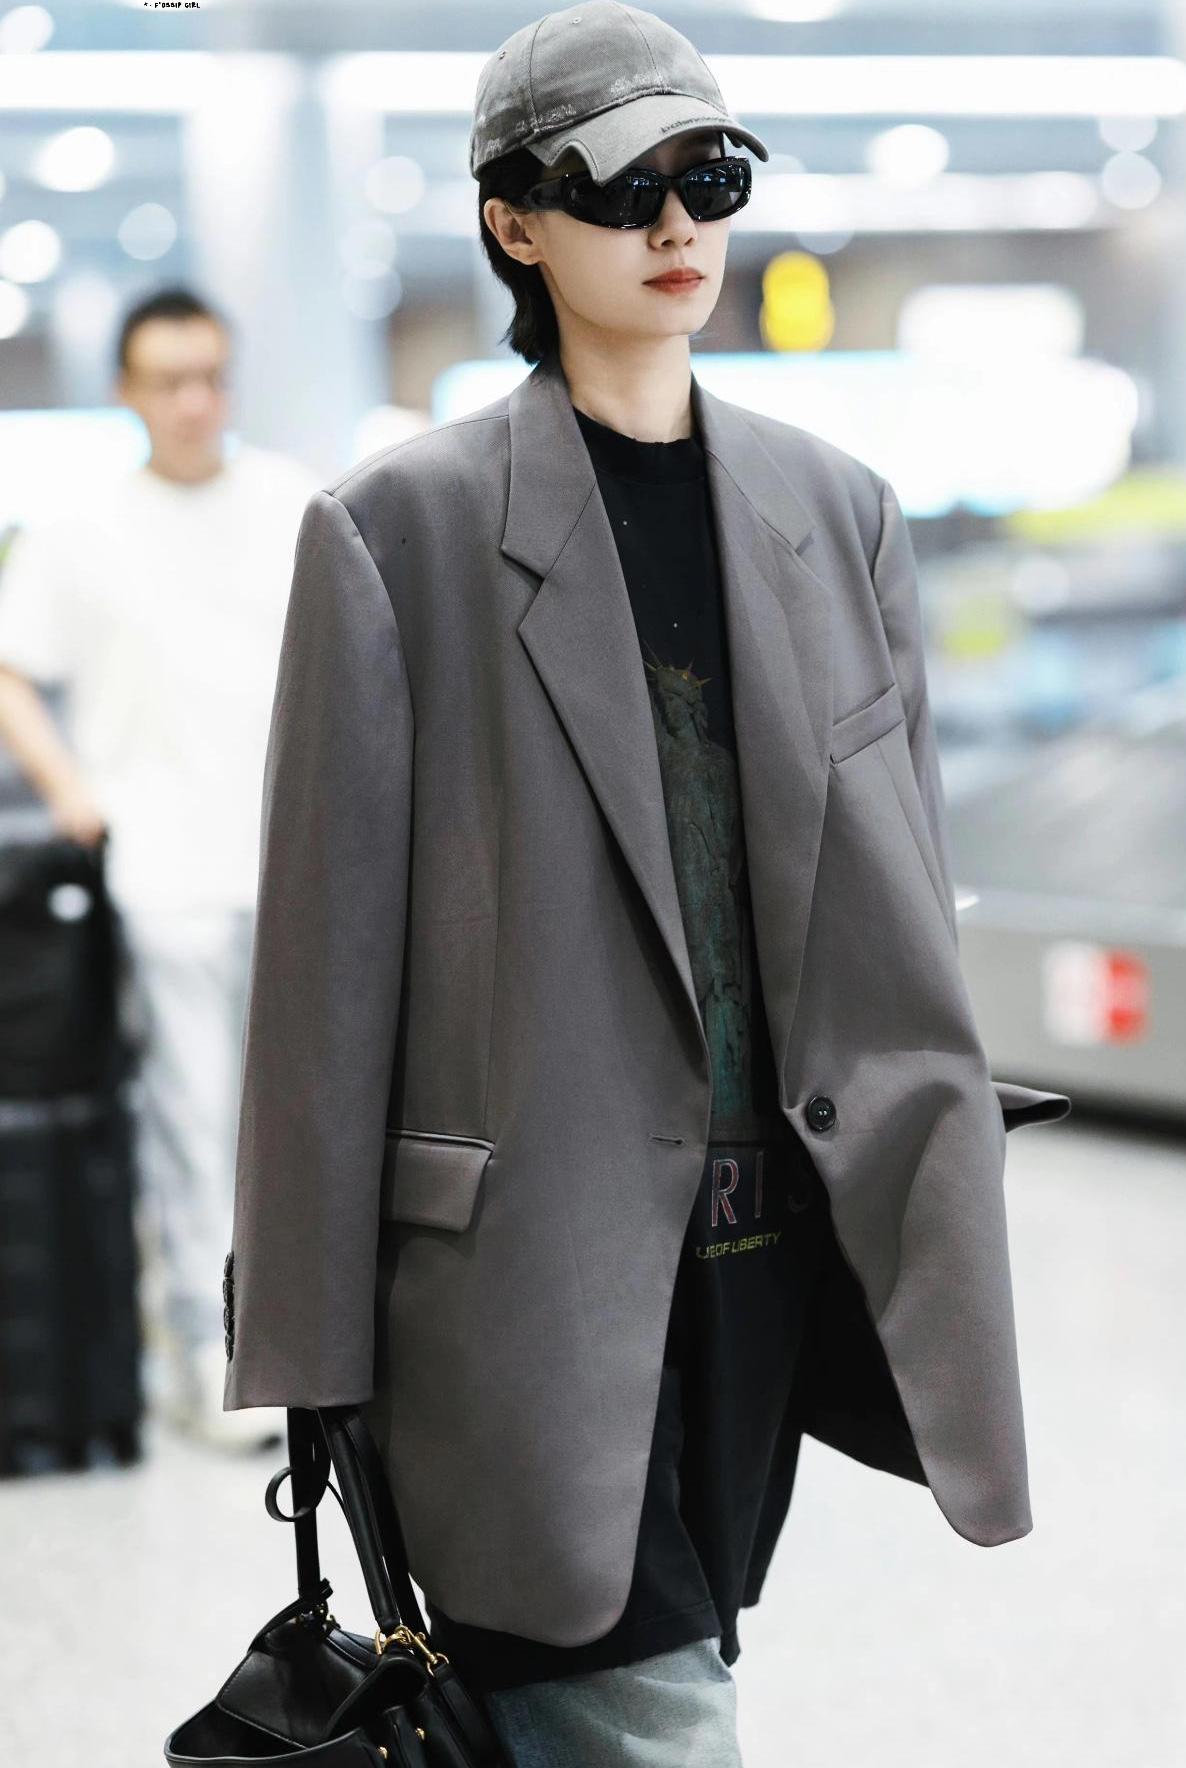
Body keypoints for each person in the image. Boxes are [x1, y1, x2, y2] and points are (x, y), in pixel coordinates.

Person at [222, 3, 1070, 1763]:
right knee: (650, 1711)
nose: (679, 224)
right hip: (521, 1280)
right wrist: (309, 1359)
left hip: (772, 1257)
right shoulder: (398, 534)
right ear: (514, 224)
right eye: (624, 189)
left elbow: (900, 884)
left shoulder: (839, 512)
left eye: (711, 178)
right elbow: (322, 981)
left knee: (656, 1672)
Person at [0, 286, 319, 1454]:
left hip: (294, 865)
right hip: (164, 870)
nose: (193, 401)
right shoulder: (82, 526)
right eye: (169, 381)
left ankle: (314, 1346)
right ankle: (215, 1352)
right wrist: (73, 793)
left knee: (301, 1123)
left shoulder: (292, 502)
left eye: (210, 377)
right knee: (196, 1118)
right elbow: (10, 668)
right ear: (128, 391)